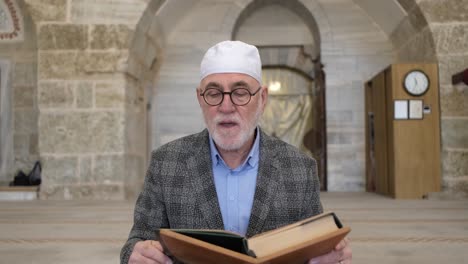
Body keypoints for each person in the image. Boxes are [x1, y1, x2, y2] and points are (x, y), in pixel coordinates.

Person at [120, 40, 352, 264]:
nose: (226, 106)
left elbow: (315, 244)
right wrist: (134, 254)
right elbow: (139, 239)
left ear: (262, 99)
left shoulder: (299, 167)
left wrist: (331, 256)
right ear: (200, 99)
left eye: (240, 92)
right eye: (213, 93)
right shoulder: (167, 163)